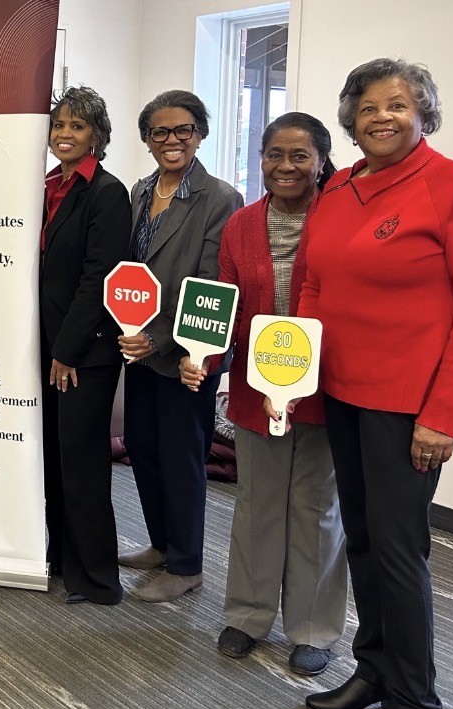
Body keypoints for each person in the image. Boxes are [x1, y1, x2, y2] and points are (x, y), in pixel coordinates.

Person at [294, 59, 453, 709]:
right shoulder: (340, 187)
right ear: (351, 120)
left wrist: (442, 417)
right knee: (361, 538)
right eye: (368, 107)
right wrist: (294, 372)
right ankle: (375, 672)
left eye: (398, 104)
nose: (382, 116)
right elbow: (315, 285)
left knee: (398, 551)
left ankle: (417, 704)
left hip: (407, 408)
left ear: (422, 113)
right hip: (342, 394)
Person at [179, 112, 347, 676]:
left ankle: (313, 627)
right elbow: (223, 302)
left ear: (321, 162)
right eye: (275, 154)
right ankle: (248, 616)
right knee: (256, 506)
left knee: (316, 508)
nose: (286, 166)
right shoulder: (242, 225)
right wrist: (202, 357)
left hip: (325, 388)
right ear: (261, 159)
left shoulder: (341, 219)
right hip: (256, 389)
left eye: (300, 156)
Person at [117, 90, 243, 603]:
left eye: (183, 130)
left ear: (200, 134)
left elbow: (210, 282)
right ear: (147, 140)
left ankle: (187, 564)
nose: (172, 140)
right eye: (160, 132)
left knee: (182, 456)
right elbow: (130, 270)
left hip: (188, 352)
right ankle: (162, 544)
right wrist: (130, 328)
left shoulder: (220, 198)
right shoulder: (140, 191)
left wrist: (159, 338)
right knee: (142, 446)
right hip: (138, 347)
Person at [39, 87, 132, 605]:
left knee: (83, 465)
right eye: (59, 125)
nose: (65, 134)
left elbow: (100, 278)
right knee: (54, 460)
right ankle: (61, 559)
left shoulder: (107, 192)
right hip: (51, 347)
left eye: (76, 126)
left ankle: (98, 579)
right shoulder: (50, 185)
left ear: (96, 135)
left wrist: (67, 350)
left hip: (83, 354)